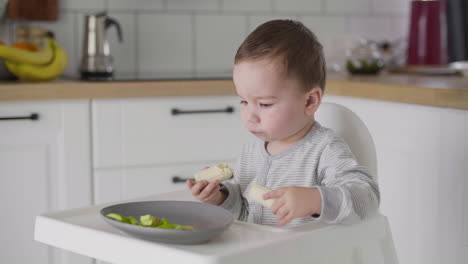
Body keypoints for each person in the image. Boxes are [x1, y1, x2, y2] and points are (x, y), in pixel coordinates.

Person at [187, 19, 380, 227]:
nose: (250, 116)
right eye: (244, 101)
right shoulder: (251, 152)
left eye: (265, 104)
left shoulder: (325, 149)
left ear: (309, 101)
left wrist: (315, 200)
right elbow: (244, 212)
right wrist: (221, 198)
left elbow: (367, 198)